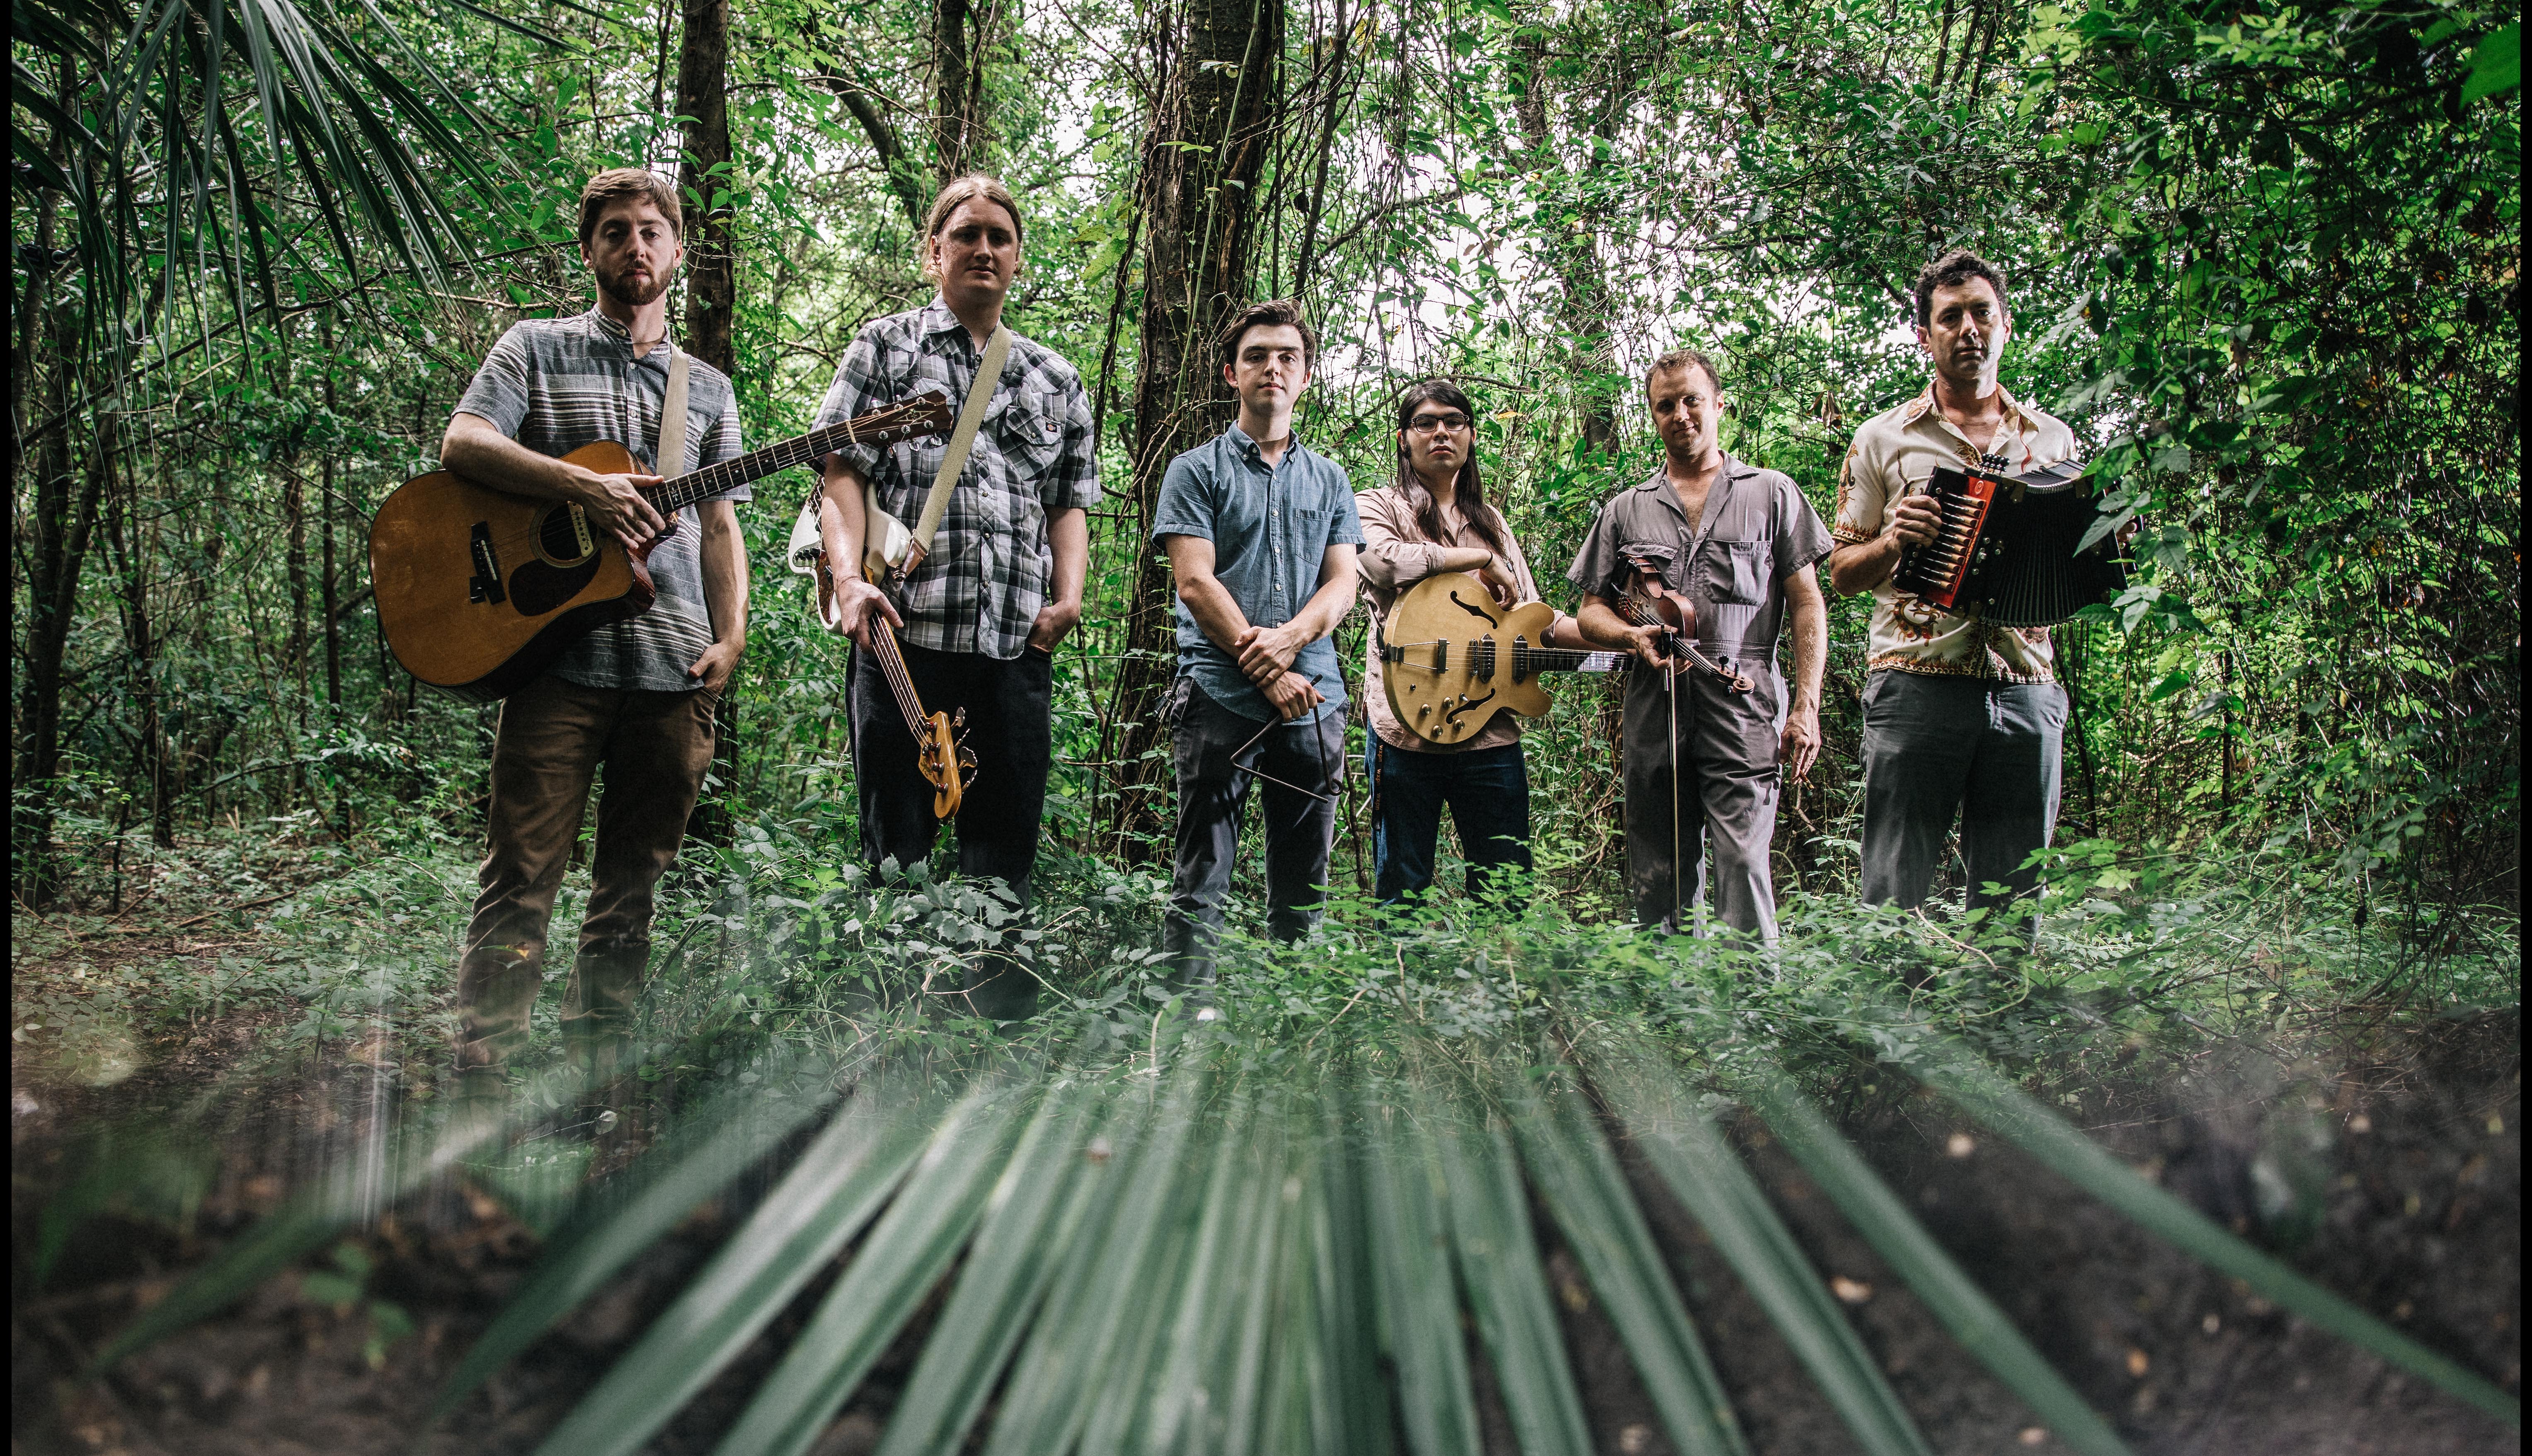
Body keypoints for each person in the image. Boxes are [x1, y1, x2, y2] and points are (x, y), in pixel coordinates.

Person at [439, 167, 749, 1101]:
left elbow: (722, 525)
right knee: (522, 870)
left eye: (653, 231)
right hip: (554, 663)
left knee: (633, 887)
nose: (636, 246)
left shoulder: (708, 388)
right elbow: (462, 443)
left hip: (674, 666)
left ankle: (594, 1076)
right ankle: (483, 1068)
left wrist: (732, 637)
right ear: (591, 251)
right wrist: (581, 486)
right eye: (616, 231)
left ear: (678, 249)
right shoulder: (533, 347)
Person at [812, 174, 1099, 1022]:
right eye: (966, 235)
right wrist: (850, 576)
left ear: (1016, 259)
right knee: (896, 847)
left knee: (1002, 856)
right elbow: (839, 475)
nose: (983, 249)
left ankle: (989, 1041)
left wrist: (1069, 597)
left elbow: (1069, 502)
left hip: (1014, 649)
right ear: (934, 251)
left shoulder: (1054, 376)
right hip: (904, 644)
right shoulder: (885, 348)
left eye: (999, 238)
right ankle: (890, 1029)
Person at [1826, 249, 2076, 935]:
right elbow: (1840, 572)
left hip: (2025, 687)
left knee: (2012, 901)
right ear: (1923, 336)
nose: (1967, 328)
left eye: (1980, 312)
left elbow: (2076, 573)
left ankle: (1999, 1031)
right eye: (1948, 317)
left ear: (2004, 324)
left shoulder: (2052, 441)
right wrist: (1891, 542)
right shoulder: (1881, 438)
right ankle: (1884, 1038)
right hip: (1915, 686)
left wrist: (2107, 544)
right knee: (1891, 892)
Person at [1569, 348, 1830, 940]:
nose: (1680, 414)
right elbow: (1590, 612)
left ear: (1718, 405)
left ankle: (1747, 1013)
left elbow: (1807, 602)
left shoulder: (1771, 493)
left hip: (1744, 703)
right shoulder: (1626, 509)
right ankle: (1672, 1018)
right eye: (1665, 406)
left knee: (1742, 863)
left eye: (1691, 400)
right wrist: (1631, 636)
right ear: (1653, 416)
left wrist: (1806, 708)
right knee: (1659, 869)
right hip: (1654, 706)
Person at [1152, 299, 1363, 997]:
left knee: (1303, 881)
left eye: (1286, 358)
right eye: (1256, 356)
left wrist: (1292, 643)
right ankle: (1185, 1024)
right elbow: (1192, 580)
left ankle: (1292, 1023)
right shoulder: (1194, 470)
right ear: (1230, 373)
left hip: (1314, 700)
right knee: (1201, 874)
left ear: (1306, 377)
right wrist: (1264, 667)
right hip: (1218, 694)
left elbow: (1341, 586)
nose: (1271, 368)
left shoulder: (1330, 480)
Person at [1357, 380, 1590, 903]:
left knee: (1505, 886)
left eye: (1453, 421)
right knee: (1403, 887)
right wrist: (1482, 561)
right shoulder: (1377, 505)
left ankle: (1500, 982)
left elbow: (1535, 622)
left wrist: (1616, 636)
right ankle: (1404, 981)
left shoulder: (1492, 524)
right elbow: (1384, 562)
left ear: (1471, 435)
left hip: (1490, 731)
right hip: (1405, 729)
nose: (1441, 431)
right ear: (1403, 438)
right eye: (1426, 422)